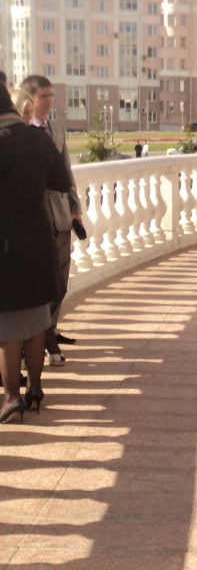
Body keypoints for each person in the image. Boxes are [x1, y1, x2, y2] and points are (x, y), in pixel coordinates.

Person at [0, 83, 72, 423]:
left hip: (5, 240)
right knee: (36, 320)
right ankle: (35, 389)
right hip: (39, 235)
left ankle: (11, 397)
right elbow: (60, 182)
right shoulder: (39, 139)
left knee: (7, 326)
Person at [19, 75, 84, 362]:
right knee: (43, 284)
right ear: (30, 99)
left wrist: (76, 208)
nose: (49, 101)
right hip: (37, 219)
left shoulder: (56, 129)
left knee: (61, 281)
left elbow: (67, 172)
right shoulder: (23, 132)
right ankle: (40, 338)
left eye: (51, 95)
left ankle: (51, 330)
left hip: (62, 217)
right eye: (43, 96)